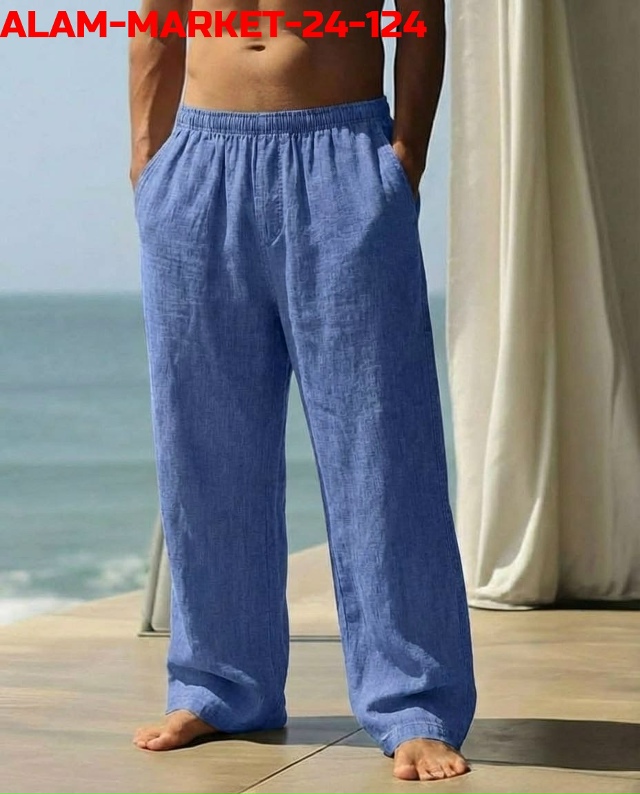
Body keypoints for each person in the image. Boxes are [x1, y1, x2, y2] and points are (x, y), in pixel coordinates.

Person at [129, 0, 476, 781]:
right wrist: (149, 162)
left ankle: (413, 703)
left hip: (342, 155)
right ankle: (220, 687)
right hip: (199, 159)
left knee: (380, 448)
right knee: (203, 446)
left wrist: (404, 159)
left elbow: (420, 15)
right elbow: (158, 18)